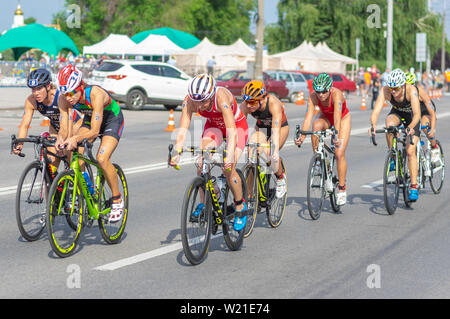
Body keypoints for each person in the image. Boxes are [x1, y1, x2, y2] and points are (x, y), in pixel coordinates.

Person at [169, 73, 249, 231]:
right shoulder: (190, 101)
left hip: (236, 127)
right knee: (201, 162)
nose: (200, 106)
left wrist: (229, 155)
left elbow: (232, 132)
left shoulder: (222, 98)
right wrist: (177, 151)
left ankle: (240, 206)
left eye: (204, 101)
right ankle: (204, 203)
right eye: (197, 102)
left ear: (212, 96)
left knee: (228, 168)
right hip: (214, 127)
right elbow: (183, 128)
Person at [55, 64, 125, 222]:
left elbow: (94, 131)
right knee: (74, 152)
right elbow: (65, 128)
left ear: (81, 86)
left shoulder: (95, 93)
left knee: (101, 158)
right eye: (65, 93)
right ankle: (87, 188)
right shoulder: (63, 98)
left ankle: (117, 199)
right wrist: (61, 138)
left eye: (72, 93)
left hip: (111, 120)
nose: (68, 98)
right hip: (89, 118)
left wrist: (74, 138)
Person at [12, 68, 83, 178]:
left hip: (73, 125)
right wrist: (20, 143)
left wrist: (63, 140)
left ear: (48, 86)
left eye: (39, 88)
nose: (36, 93)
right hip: (55, 127)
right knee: (50, 170)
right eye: (33, 89)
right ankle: (54, 190)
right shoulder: (31, 101)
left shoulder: (60, 97)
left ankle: (80, 184)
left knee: (70, 159)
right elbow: (25, 125)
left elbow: (65, 124)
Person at [294, 73, 351, 205]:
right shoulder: (313, 96)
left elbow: (337, 116)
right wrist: (302, 136)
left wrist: (336, 134)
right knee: (315, 126)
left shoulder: (337, 95)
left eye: (324, 91)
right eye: (318, 91)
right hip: (325, 117)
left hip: (342, 119)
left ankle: (342, 189)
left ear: (330, 88)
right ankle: (319, 158)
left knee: (339, 152)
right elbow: (309, 116)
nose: (321, 95)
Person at [369, 69, 421, 201]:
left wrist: (409, 127)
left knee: (410, 152)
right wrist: (373, 125)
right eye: (391, 88)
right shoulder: (386, 91)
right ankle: (392, 153)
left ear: (403, 85)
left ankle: (414, 186)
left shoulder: (412, 90)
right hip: (398, 114)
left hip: (412, 118)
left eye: (396, 88)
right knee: (388, 124)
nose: (393, 91)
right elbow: (376, 111)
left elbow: (417, 115)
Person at [239, 80, 289, 198]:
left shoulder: (273, 103)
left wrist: (275, 151)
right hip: (261, 128)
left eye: (252, 102)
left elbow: (275, 130)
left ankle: (280, 177)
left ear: (261, 99)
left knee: (269, 152)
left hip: (279, 128)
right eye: (247, 102)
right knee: (251, 155)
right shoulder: (245, 106)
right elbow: (239, 127)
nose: (248, 105)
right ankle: (249, 195)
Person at [405, 72, 441, 163]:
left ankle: (434, 147)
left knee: (425, 127)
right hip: (414, 112)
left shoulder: (420, 92)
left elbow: (432, 113)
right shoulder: (402, 93)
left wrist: (432, 129)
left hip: (425, 110)